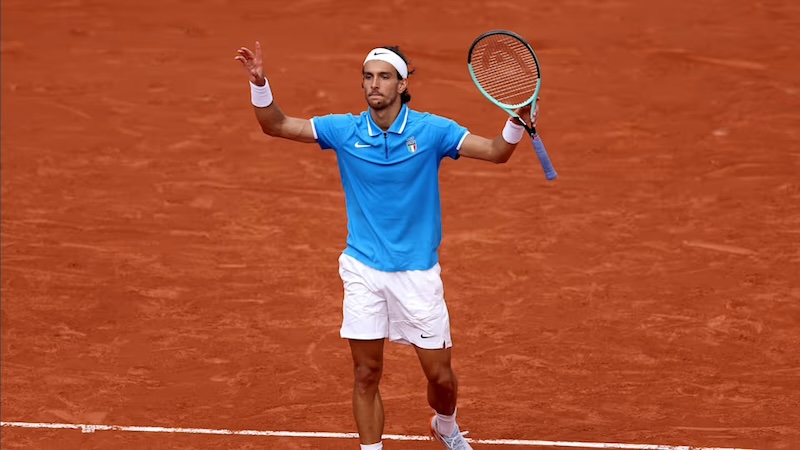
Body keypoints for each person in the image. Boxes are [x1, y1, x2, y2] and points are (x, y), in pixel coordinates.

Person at [234, 41, 537, 450]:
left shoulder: (432, 131)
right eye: (368, 76)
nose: (374, 84)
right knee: (365, 373)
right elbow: (278, 125)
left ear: (402, 84)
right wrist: (260, 84)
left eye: (384, 77)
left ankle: (445, 425)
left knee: (440, 377)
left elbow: (496, 152)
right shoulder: (345, 130)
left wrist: (516, 122)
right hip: (363, 269)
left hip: (417, 273)